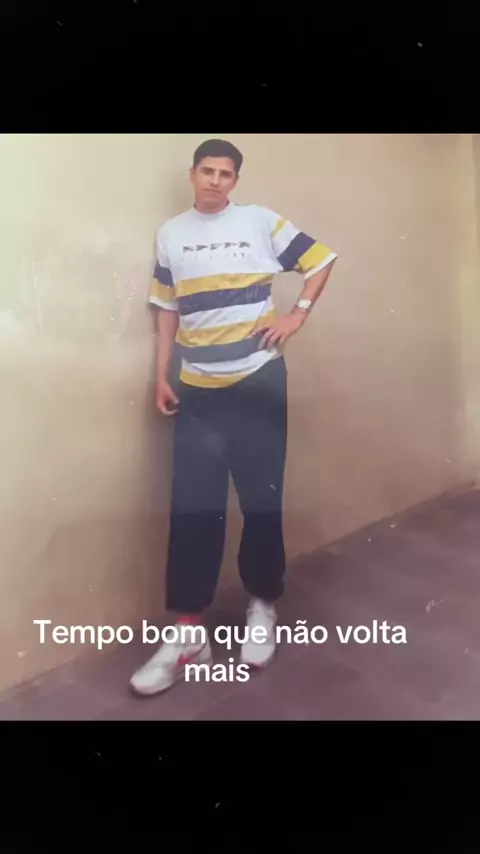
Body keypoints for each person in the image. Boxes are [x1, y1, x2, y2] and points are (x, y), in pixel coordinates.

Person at [130, 139, 337, 696]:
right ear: (193, 174)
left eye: (226, 174)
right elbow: (167, 308)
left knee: (261, 499)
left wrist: (297, 314)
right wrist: (162, 374)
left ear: (235, 181)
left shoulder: (259, 222)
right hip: (197, 388)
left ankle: (262, 606)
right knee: (194, 507)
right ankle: (188, 633)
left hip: (257, 382)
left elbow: (321, 260)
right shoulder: (171, 233)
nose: (215, 181)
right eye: (208, 171)